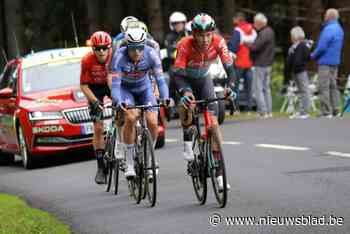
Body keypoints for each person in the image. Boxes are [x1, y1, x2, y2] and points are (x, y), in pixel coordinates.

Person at [173, 13, 237, 190]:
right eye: (201, 35)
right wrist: (184, 92)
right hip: (185, 80)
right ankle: (187, 142)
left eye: (208, 34)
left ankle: (219, 175)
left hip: (204, 80)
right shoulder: (184, 45)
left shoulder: (218, 42)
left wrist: (230, 87)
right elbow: (176, 75)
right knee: (188, 105)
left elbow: (230, 69)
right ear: (193, 34)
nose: (205, 39)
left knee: (213, 125)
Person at [111, 28, 169, 178]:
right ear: (127, 47)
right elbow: (116, 85)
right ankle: (129, 163)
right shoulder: (119, 56)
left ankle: (150, 160)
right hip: (126, 90)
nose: (137, 52)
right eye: (133, 48)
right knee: (130, 118)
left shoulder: (151, 54)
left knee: (153, 122)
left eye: (140, 48)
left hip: (145, 89)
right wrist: (119, 101)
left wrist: (166, 97)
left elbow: (161, 80)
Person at [80, 31, 112, 184]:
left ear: (109, 47)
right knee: (98, 127)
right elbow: (83, 86)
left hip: (111, 85)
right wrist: (95, 102)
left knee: (126, 113)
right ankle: (100, 166)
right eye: (98, 48)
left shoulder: (115, 56)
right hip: (94, 89)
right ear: (93, 49)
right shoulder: (87, 60)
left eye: (104, 48)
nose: (101, 51)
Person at [310, 8, 344, 118]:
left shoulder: (328, 29)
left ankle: (325, 111)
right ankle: (336, 109)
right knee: (333, 85)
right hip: (335, 61)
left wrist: (312, 55)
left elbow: (322, 47)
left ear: (329, 17)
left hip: (325, 61)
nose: (324, 17)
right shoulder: (339, 29)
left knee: (323, 86)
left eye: (325, 15)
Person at [228, 12, 257, 114]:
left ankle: (236, 109)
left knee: (235, 87)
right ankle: (249, 109)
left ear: (238, 19)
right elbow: (256, 43)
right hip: (250, 63)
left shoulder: (238, 30)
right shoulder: (253, 30)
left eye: (234, 19)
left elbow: (233, 47)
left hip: (239, 63)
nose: (233, 21)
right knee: (248, 88)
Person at [248, 13, 275, 118]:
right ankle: (269, 111)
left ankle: (263, 111)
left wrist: (248, 45)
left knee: (258, 88)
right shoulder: (270, 31)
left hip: (261, 63)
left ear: (259, 23)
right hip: (268, 63)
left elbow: (255, 47)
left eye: (255, 23)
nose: (254, 25)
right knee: (266, 88)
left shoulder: (264, 33)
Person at [286, 26, 312, 119]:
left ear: (295, 36)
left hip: (301, 71)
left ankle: (305, 111)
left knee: (304, 91)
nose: (291, 37)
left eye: (292, 36)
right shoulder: (294, 47)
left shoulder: (302, 45)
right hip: (295, 71)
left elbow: (306, 58)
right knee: (300, 91)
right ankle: (301, 110)